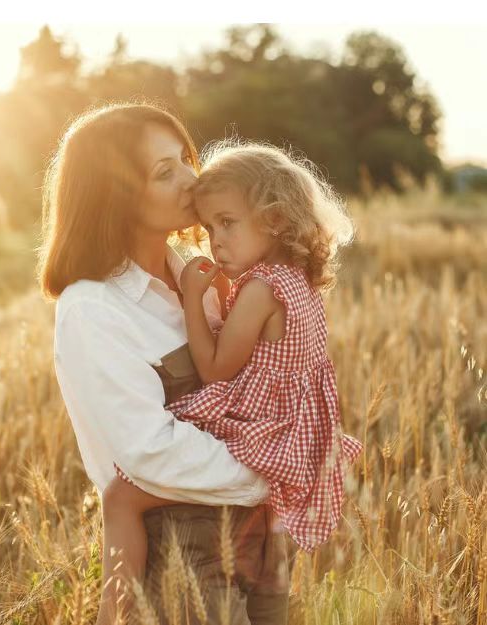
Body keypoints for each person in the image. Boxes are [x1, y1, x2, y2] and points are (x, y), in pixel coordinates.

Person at [39, 102, 289, 625]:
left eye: (184, 158)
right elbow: (146, 452)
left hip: (257, 545)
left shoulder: (206, 278)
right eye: (164, 171)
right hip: (180, 561)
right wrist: (272, 474)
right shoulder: (93, 308)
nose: (191, 179)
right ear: (116, 195)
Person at [101, 139, 365, 622]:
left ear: (276, 220)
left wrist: (190, 299)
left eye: (228, 223)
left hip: (260, 426)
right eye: (208, 227)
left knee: (122, 496)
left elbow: (217, 369)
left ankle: (112, 613)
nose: (215, 239)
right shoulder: (295, 279)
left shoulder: (262, 288)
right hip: (294, 430)